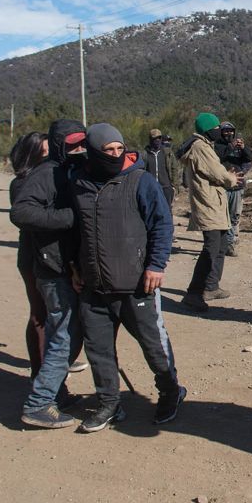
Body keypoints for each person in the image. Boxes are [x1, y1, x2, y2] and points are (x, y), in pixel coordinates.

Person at [70, 123, 184, 433]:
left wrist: (156, 266)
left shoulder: (140, 181)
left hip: (137, 284)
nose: (115, 155)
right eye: (108, 150)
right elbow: (74, 231)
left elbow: (162, 224)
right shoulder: (78, 182)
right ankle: (109, 402)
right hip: (94, 286)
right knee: (99, 349)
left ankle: (171, 392)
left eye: (119, 149)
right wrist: (74, 266)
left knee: (154, 346)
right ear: (93, 152)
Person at [9, 123, 87, 428]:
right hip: (51, 268)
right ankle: (40, 403)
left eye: (83, 143)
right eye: (72, 144)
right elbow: (21, 213)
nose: (78, 149)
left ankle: (54, 392)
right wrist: (69, 218)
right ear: (57, 146)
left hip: (65, 266)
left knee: (69, 333)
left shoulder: (67, 170)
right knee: (62, 333)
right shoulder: (45, 173)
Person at [180, 113, 245, 312]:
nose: (220, 130)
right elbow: (217, 172)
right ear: (209, 129)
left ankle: (211, 286)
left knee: (221, 244)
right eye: (217, 127)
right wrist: (231, 178)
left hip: (215, 203)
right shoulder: (200, 147)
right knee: (211, 249)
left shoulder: (204, 145)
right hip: (208, 204)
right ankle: (194, 292)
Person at [213, 121, 252, 256]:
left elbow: (249, 158)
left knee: (234, 215)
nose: (228, 133)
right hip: (222, 186)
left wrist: (244, 148)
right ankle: (220, 243)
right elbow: (219, 156)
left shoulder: (238, 146)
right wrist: (230, 147)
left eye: (231, 131)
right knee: (221, 216)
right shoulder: (217, 145)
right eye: (225, 131)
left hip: (237, 186)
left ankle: (229, 243)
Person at [142, 128, 178, 208]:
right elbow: (142, 171)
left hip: (166, 188)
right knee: (152, 211)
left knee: (167, 211)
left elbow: (174, 168)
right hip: (151, 188)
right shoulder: (145, 154)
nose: (157, 140)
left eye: (159, 138)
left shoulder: (167, 152)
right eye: (155, 138)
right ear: (150, 140)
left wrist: (174, 186)